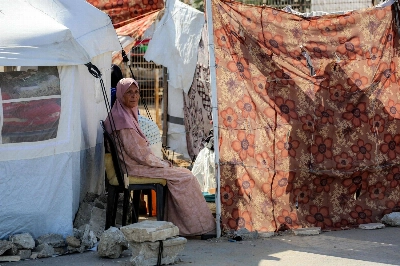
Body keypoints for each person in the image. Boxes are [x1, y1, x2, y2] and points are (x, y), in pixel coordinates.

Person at [104, 78, 216, 236]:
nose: (134, 96)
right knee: (186, 176)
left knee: (182, 174)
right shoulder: (123, 120)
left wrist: (160, 162)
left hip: (134, 164)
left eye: (136, 92)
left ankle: (179, 225)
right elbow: (138, 154)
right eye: (129, 92)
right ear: (121, 94)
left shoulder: (123, 114)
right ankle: (197, 228)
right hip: (134, 168)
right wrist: (161, 163)